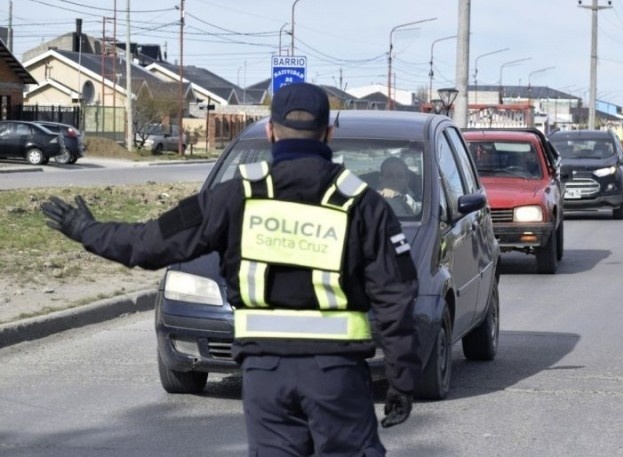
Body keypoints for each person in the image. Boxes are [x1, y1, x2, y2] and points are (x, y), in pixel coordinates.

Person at [41, 82, 421, 456]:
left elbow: (152, 243)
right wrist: (402, 380)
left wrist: (87, 230)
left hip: (265, 376)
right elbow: (396, 297)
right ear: (329, 133)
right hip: (337, 376)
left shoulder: (235, 196)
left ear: (271, 131)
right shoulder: (363, 204)